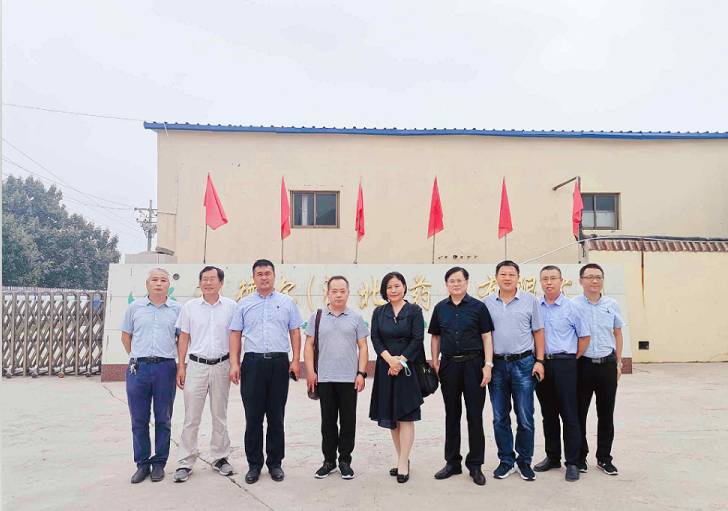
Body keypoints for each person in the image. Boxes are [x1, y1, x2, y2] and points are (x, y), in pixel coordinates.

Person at [229, 259, 303, 484]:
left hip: (279, 363)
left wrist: (295, 361)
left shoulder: (287, 302)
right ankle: (254, 465)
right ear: (253, 278)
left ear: (274, 276)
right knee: (253, 417)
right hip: (252, 363)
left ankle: (275, 463)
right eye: (259, 274)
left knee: (276, 416)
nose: (264, 277)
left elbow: (295, 332)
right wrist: (234, 364)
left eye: (267, 273)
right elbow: (235, 334)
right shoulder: (243, 304)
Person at [430, 267, 494, 486]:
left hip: (474, 365)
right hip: (449, 365)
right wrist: (435, 361)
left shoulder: (478, 307)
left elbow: (487, 337)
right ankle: (452, 463)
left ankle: (475, 465)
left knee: (474, 416)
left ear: (467, 282)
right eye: (451, 281)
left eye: (459, 280)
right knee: (452, 415)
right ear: (446, 284)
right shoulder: (440, 308)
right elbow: (435, 336)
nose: (456, 284)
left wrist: (488, 365)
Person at [173, 266, 237, 483]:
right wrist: (181, 366)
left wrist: (235, 364)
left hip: (222, 365)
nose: (208, 283)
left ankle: (220, 458)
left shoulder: (231, 307)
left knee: (220, 414)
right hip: (196, 366)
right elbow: (183, 338)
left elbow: (235, 338)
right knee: (191, 416)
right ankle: (185, 462)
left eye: (212, 279)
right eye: (204, 279)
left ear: (221, 283)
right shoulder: (190, 308)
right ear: (200, 283)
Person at [483, 260, 545, 482]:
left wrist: (540, 361)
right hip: (497, 365)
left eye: (511, 274)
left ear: (518, 277)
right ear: (496, 277)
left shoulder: (530, 300)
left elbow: (538, 332)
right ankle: (506, 460)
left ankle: (524, 461)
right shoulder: (486, 303)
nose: (507, 278)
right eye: (503, 274)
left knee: (525, 416)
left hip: (524, 364)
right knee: (500, 417)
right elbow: (484, 336)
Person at [304, 276, 370, 480]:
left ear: (348, 293)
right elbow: (309, 345)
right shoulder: (317, 316)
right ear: (328, 293)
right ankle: (329, 461)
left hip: (349, 379)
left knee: (348, 422)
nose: (339, 295)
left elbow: (363, 347)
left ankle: (345, 461)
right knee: (328, 423)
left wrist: (361, 373)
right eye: (334, 291)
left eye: (342, 291)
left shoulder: (356, 318)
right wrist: (310, 371)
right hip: (324, 379)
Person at [121, 268, 182, 484]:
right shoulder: (135, 308)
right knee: (139, 418)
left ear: (169, 286)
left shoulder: (177, 309)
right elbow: (126, 336)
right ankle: (142, 463)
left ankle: (159, 463)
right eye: (154, 280)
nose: (158, 283)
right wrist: (137, 356)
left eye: (163, 280)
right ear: (147, 284)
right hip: (139, 368)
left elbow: (181, 339)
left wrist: (180, 366)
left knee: (163, 418)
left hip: (165, 368)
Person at [533, 265, 591, 483]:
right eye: (545, 279)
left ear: (561, 281)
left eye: (553, 278)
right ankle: (552, 457)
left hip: (565, 363)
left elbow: (584, 336)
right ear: (540, 282)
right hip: (541, 364)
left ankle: (572, 462)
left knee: (569, 414)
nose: (549, 282)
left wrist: (572, 358)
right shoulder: (535, 306)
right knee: (548, 414)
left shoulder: (572, 307)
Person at [369, 272, 424, 483]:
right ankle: (403, 459)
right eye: (389, 287)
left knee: (406, 415)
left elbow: (417, 339)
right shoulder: (379, 312)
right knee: (392, 416)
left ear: (404, 287)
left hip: (406, 369)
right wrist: (389, 360)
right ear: (385, 290)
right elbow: (375, 338)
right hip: (386, 367)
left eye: (397, 286)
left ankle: (402, 463)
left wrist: (400, 362)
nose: (393, 290)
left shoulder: (414, 310)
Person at [572, 263, 625, 476]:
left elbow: (618, 334)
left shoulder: (612, 304)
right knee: (579, 413)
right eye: (590, 277)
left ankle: (604, 458)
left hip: (607, 365)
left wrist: (619, 363)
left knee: (606, 414)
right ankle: (580, 457)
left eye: (598, 277)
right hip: (582, 365)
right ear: (581, 281)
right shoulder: (573, 305)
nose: (595, 281)